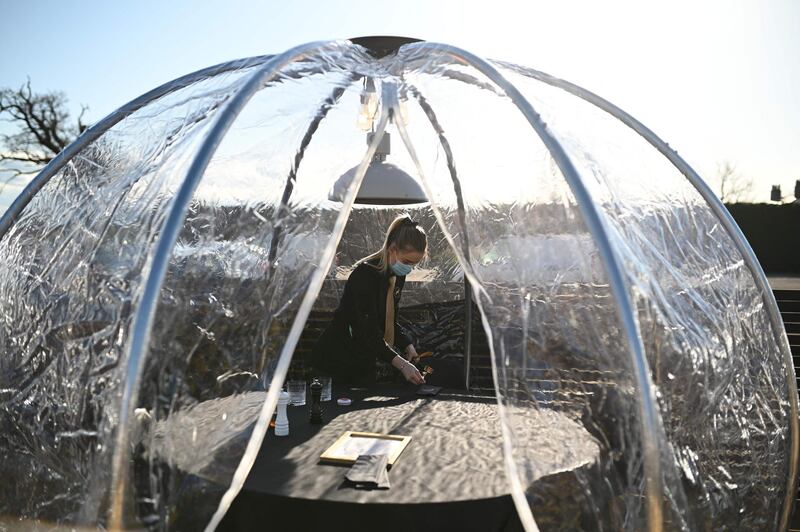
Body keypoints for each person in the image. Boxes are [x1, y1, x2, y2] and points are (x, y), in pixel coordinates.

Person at [312, 215, 426, 386]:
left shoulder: (396, 276)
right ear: (392, 249)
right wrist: (402, 365)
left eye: (414, 264)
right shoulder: (364, 276)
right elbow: (367, 330)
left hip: (364, 362)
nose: (409, 268)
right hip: (337, 362)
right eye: (407, 262)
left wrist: (407, 344)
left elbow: (388, 320)